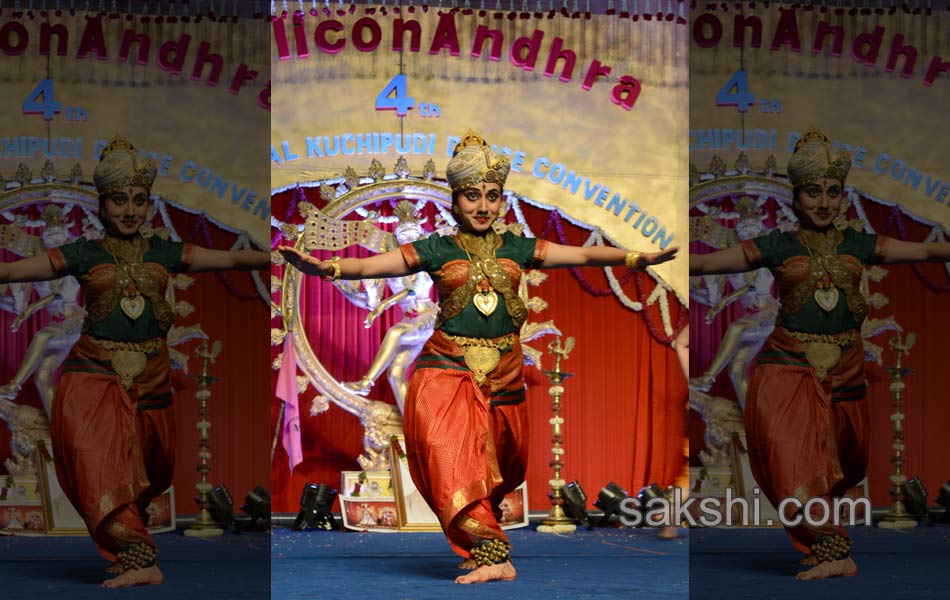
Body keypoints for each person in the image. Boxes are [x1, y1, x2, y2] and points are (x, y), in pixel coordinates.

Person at [280, 130, 678, 584]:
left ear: (502, 201)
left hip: (503, 373)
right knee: (447, 455)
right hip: (444, 367)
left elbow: (585, 253)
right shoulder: (438, 249)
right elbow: (372, 267)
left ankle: (484, 544)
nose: (483, 206)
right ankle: (492, 554)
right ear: (456, 199)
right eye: (473, 196)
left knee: (503, 466)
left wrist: (633, 259)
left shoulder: (518, 248)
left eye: (492, 196)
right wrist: (326, 267)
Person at [0, 136, 269, 588]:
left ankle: (135, 553)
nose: (130, 210)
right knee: (95, 463)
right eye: (119, 200)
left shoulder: (164, 251)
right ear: (102, 205)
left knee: (149, 469)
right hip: (93, 374)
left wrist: (277, 255)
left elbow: (230, 257)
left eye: (139, 201)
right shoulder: (85, 253)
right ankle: (139, 558)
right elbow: (10, 271)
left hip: (152, 376)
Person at [689, 128, 950, 580]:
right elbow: (710, 263)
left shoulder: (859, 245)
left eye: (833, 192)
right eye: (814, 193)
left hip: (845, 370)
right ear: (796, 196)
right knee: (789, 456)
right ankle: (832, 550)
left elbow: (927, 249)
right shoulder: (779, 245)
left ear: (843, 197)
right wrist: (652, 258)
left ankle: (826, 540)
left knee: (846, 463)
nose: (824, 202)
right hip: (785, 365)